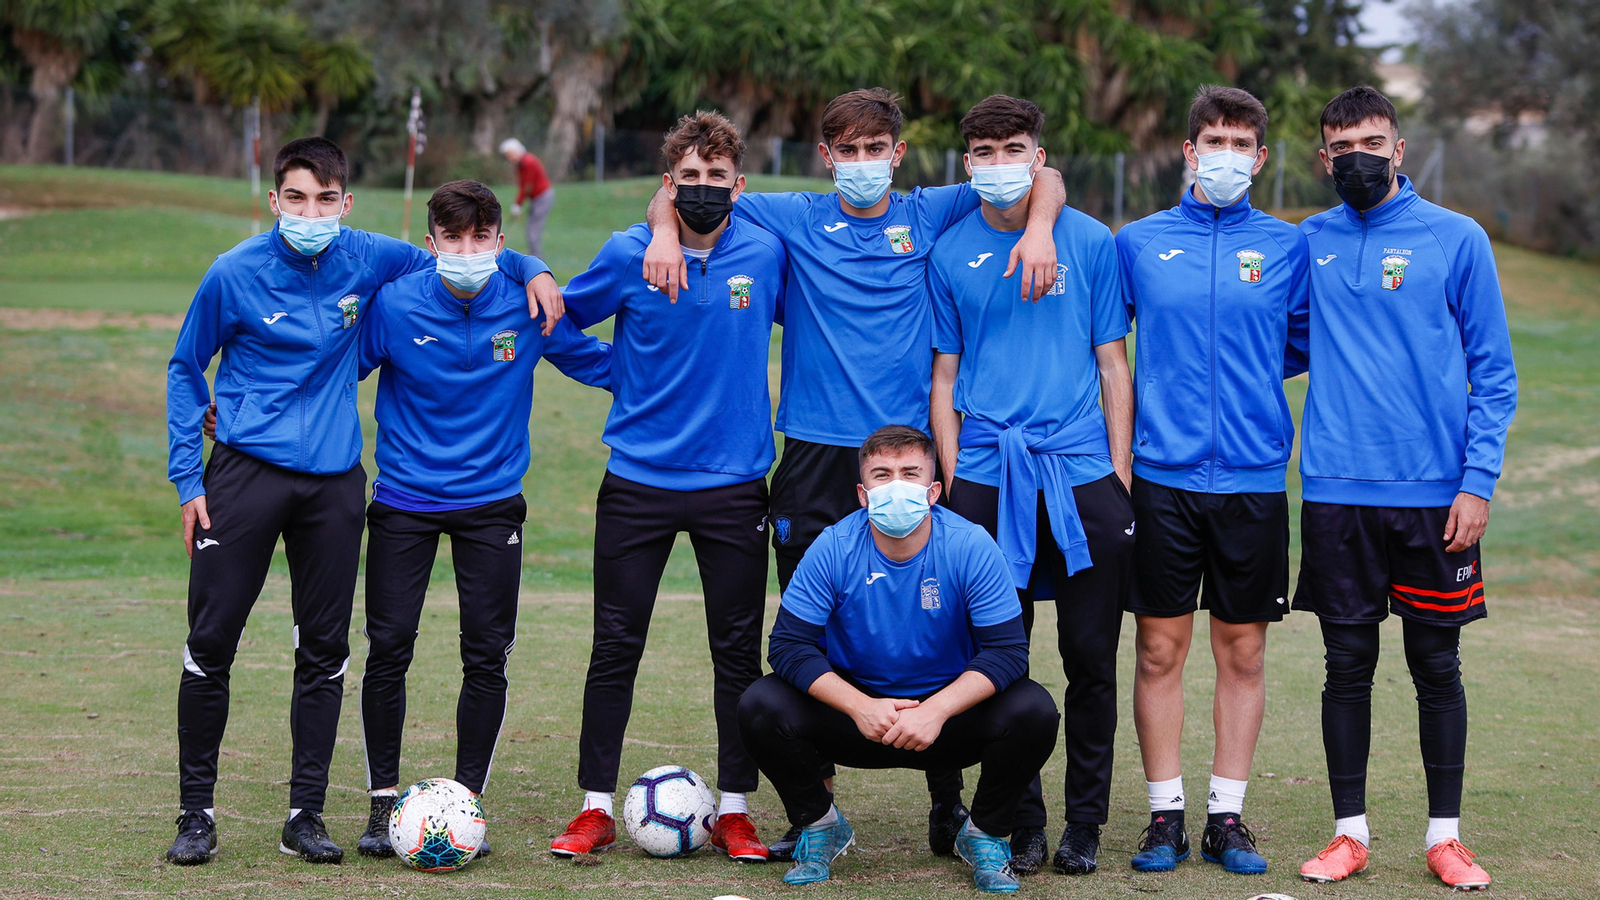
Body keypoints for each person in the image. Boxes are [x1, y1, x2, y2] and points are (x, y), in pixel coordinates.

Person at [644, 86, 1067, 861]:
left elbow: (1045, 176)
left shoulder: (929, 211)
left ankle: (952, 803)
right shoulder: (793, 214)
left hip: (906, 455)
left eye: (878, 150)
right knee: (817, 625)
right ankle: (817, 812)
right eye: (850, 150)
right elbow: (689, 186)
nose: (865, 163)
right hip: (811, 452)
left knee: (943, 623)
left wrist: (1040, 230)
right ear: (827, 156)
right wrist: (663, 232)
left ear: (898, 156)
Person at [163, 136, 561, 866]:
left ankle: (304, 816)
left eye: (324, 200)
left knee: (325, 653)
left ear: (345, 205)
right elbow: (187, 368)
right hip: (243, 477)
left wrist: (532, 265)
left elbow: (468, 255)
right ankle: (197, 814)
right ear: (274, 200)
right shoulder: (233, 273)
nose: (309, 212)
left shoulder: (374, 257)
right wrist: (188, 479)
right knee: (211, 645)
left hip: (336, 485)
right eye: (295, 198)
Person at [545, 111, 787, 863]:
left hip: (736, 484)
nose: (705, 189)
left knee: (736, 654)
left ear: (738, 186)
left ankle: (736, 810)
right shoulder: (628, 252)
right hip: (638, 483)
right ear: (669, 183)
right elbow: (556, 324)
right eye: (691, 178)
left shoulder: (768, 252)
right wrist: (619, 375)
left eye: (718, 177)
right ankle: (593, 808)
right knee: (615, 645)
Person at [1294, 86, 1516, 891]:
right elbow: (1278, 343)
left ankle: (1444, 838)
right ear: (1324, 157)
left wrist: (1477, 482)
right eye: (1342, 143)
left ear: (1400, 147)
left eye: (1373, 140)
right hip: (1337, 491)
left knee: (1436, 663)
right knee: (1345, 665)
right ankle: (1348, 835)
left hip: (1434, 495)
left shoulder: (1456, 238)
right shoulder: (1307, 241)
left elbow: (1495, 373)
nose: (1359, 155)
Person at [350, 180, 612, 858]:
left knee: (485, 655)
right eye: (452, 239)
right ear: (431, 243)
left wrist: (690, 365)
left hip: (492, 503)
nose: (466, 252)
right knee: (390, 649)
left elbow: (602, 366)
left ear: (499, 242)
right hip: (404, 500)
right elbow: (331, 370)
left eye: (480, 239)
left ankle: (465, 802)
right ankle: (382, 807)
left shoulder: (527, 304)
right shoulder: (396, 302)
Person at [928, 94, 1135, 879]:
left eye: (1014, 148)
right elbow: (944, 377)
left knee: (1090, 657)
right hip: (984, 470)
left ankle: (1085, 823)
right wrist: (952, 477)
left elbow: (1113, 363)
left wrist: (1116, 477)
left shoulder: (1089, 241)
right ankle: (1021, 817)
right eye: (983, 151)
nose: (999, 164)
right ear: (967, 163)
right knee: (996, 658)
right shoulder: (948, 252)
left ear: (1038, 157)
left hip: (1079, 470)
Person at [1114, 86, 1310, 877]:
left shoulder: (1289, 247)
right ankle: (1165, 814)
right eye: (1211, 141)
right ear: (1188, 152)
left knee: (1244, 652)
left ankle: (1227, 817)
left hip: (1254, 480)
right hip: (1160, 478)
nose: (1224, 154)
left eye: (1240, 143)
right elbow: (1110, 351)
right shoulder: (1138, 242)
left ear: (1259, 159)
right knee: (1160, 650)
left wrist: (1245, 387)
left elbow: (1296, 346)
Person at [738, 425, 1060, 893]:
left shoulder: (971, 545)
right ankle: (819, 823)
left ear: (932, 491)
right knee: (759, 704)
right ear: (862, 493)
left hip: (946, 721)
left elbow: (1009, 651)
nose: (895, 487)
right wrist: (859, 706)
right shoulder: (832, 546)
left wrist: (936, 710)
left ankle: (984, 833)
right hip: (859, 718)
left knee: (1034, 710)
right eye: (882, 475)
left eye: (910, 474)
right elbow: (787, 645)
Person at [501, 138, 554, 258]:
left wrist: (517, 205)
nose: (510, 158)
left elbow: (527, 186)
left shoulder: (528, 162)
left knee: (532, 232)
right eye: (508, 156)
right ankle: (535, 259)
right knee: (530, 231)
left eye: (511, 154)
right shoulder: (521, 164)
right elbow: (523, 185)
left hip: (542, 197)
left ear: (518, 151)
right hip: (537, 198)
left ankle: (537, 264)